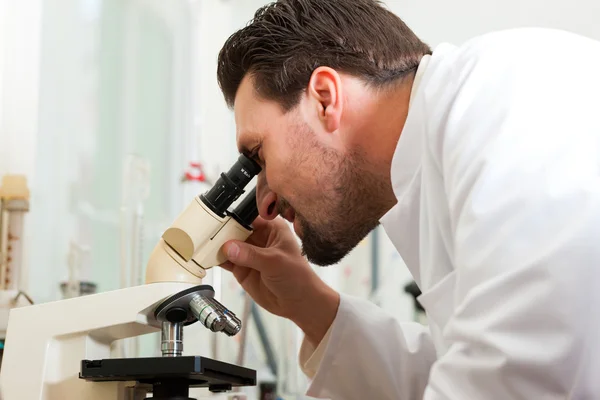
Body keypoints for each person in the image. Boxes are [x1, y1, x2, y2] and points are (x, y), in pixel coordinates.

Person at [216, 0, 600, 398]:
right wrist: (308, 304)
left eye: (258, 156)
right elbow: (453, 368)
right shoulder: (442, 155)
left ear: (325, 99)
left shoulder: (507, 102)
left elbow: (511, 373)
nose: (264, 204)